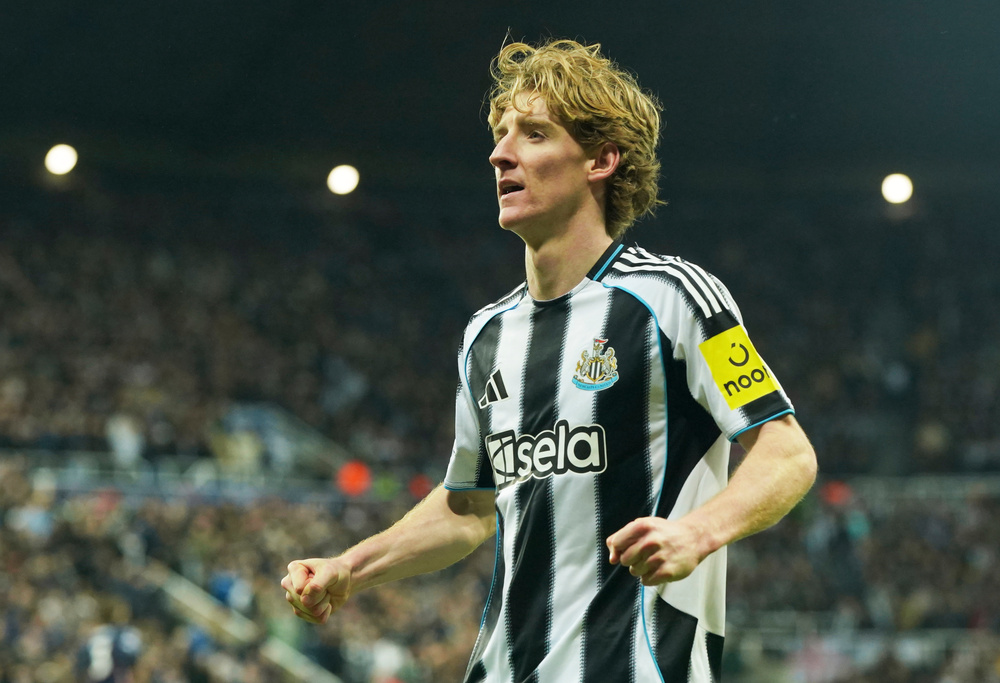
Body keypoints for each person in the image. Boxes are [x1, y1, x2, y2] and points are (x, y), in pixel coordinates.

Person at [283, 39, 818, 682]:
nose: (501, 153)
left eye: (533, 134)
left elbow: (788, 454)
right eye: (502, 134)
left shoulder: (674, 297)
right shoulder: (487, 335)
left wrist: (696, 534)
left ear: (602, 160)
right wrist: (352, 568)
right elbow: (467, 507)